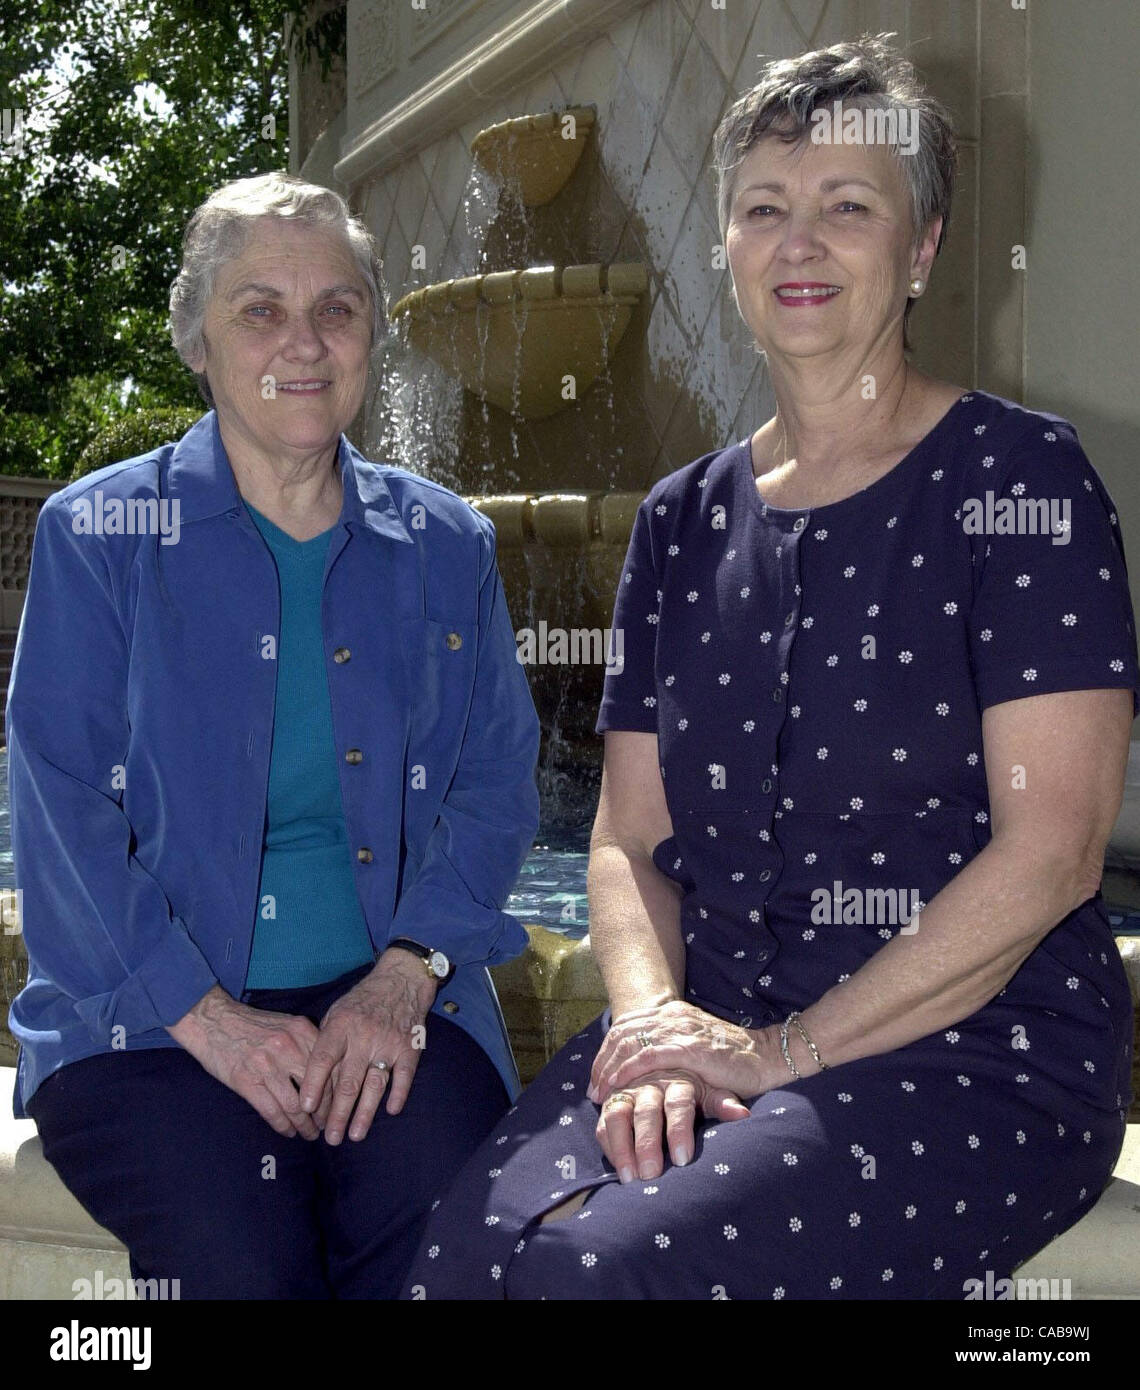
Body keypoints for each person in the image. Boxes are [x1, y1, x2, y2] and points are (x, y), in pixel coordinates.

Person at [402, 34, 1138, 1300]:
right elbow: (629, 840)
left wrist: (775, 1053)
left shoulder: (1021, 482)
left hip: (972, 1047)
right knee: (456, 1261)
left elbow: (1053, 856)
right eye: (764, 208)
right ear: (727, 246)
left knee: (595, 1274)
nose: (799, 243)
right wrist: (652, 1027)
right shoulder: (681, 521)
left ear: (921, 248)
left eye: (849, 208)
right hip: (711, 1023)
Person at [7, 172, 540, 1299]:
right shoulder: (100, 534)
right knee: (242, 1260)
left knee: (450, 1235)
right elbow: (60, 809)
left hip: (397, 1000)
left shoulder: (450, 544)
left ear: (369, 335)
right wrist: (209, 1019)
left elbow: (495, 781)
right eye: (260, 309)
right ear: (196, 337)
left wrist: (404, 975)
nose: (304, 341)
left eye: (336, 308)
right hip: (148, 1021)